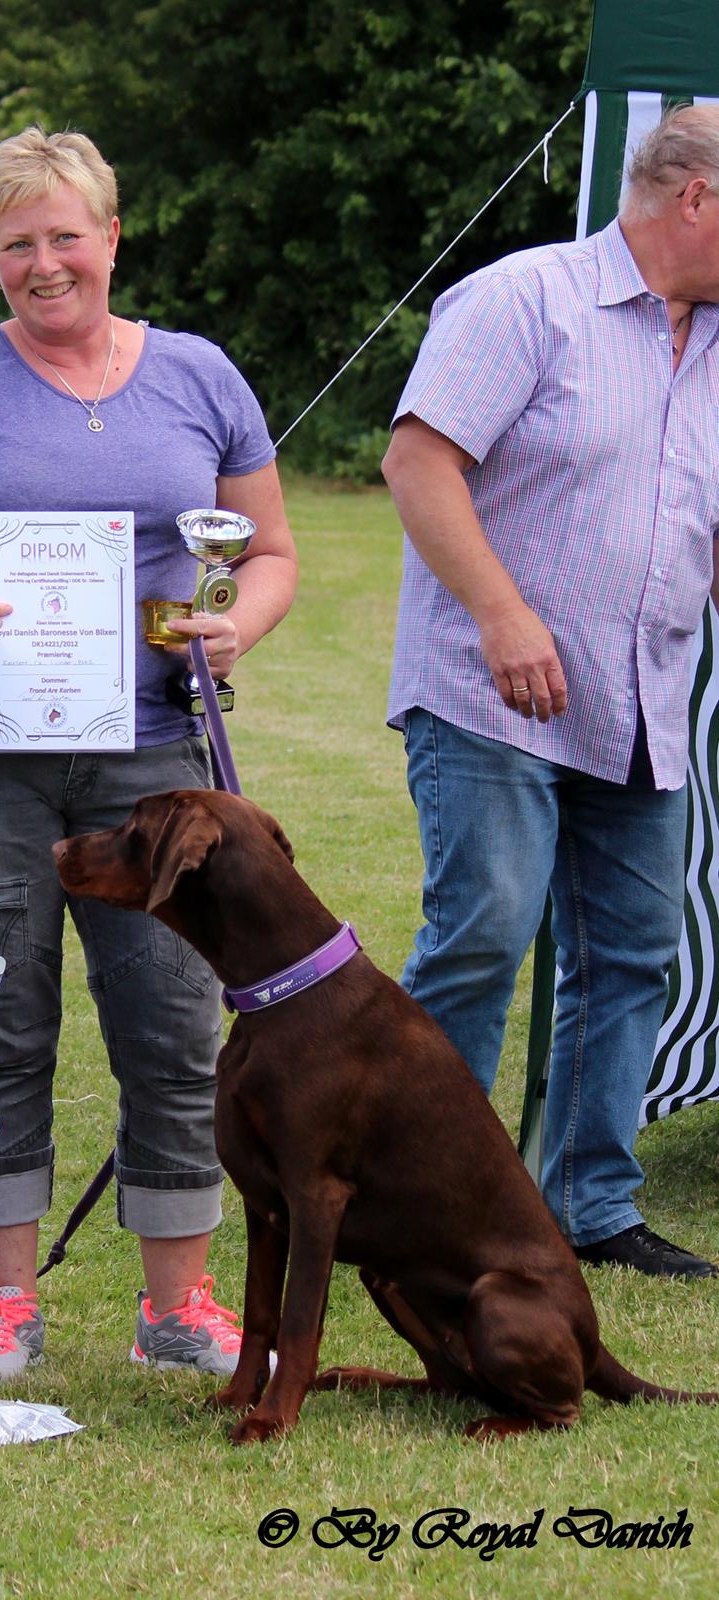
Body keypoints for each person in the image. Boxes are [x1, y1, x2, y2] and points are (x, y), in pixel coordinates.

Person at [0, 126, 297, 1374]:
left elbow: (271, 553)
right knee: (0, 1023)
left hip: (152, 758)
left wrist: (231, 624)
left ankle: (176, 1307)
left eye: (63, 235)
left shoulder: (198, 375)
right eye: (13, 242)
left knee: (169, 1018)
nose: (43, 263)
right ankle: (1, 1306)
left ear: (110, 236)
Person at [382, 103, 719, 1280]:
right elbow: (417, 462)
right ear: (694, 200)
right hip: (490, 690)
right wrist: (501, 612)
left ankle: (586, 1206)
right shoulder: (521, 298)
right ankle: (422, 1203)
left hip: (642, 704)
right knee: (481, 934)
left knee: (629, 956)